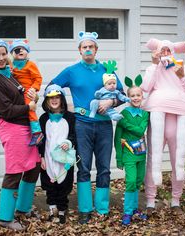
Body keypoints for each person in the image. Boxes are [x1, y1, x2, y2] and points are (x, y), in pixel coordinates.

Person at [47, 31, 125, 224]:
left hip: (104, 126)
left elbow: (122, 92)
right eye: (84, 47)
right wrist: (67, 108)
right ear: (80, 50)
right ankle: (84, 209)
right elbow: (51, 88)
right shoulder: (71, 71)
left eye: (91, 46)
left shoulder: (106, 69)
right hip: (82, 126)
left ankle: (102, 208)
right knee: (83, 168)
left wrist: (111, 102)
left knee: (104, 168)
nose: (88, 49)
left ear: (96, 49)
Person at [140, 38, 185, 215]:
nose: (166, 53)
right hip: (157, 119)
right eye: (163, 50)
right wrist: (154, 65)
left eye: (169, 50)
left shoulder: (183, 68)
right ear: (158, 51)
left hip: (179, 121)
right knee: (153, 160)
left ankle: (176, 200)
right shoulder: (153, 68)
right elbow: (145, 87)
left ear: (174, 51)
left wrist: (182, 76)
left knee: (179, 161)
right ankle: (151, 202)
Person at [0, 38, 41, 230]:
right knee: (15, 171)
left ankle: (23, 208)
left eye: (3, 54)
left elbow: (23, 93)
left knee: (34, 166)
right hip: (12, 127)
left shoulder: (9, 73)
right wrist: (29, 107)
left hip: (26, 126)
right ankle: (5, 217)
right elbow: (5, 110)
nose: (1, 58)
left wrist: (34, 96)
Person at [38, 84, 76, 224]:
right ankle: (52, 208)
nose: (54, 100)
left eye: (57, 98)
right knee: (50, 183)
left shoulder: (70, 118)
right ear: (46, 101)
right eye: (51, 98)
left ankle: (61, 210)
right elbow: (41, 140)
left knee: (63, 184)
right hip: (48, 157)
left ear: (62, 100)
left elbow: (74, 135)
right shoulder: (43, 119)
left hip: (64, 157)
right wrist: (41, 157)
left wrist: (69, 142)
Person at [114, 77, 149, 225]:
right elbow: (118, 137)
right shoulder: (124, 112)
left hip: (141, 153)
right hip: (128, 153)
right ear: (128, 97)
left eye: (138, 95)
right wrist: (119, 158)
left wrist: (124, 123)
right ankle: (127, 212)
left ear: (142, 97)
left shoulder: (145, 114)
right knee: (131, 181)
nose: (135, 98)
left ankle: (135, 209)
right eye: (132, 95)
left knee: (139, 181)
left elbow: (141, 129)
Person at [9, 39, 44, 146]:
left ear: (27, 51)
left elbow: (38, 78)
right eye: (16, 49)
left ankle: (37, 133)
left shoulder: (30, 64)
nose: (20, 51)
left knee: (30, 109)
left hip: (28, 91)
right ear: (12, 54)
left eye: (23, 49)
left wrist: (34, 88)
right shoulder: (11, 65)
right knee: (19, 110)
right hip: (16, 92)